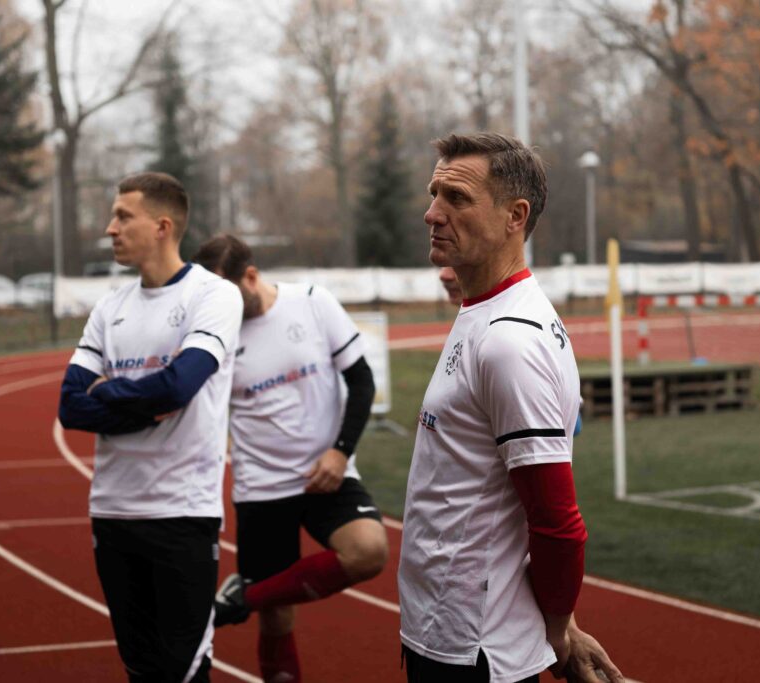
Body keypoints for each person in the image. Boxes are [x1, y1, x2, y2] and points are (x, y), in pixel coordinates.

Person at [398, 133, 624, 683]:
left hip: (472, 646)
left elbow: (558, 522)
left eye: (457, 198)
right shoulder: (486, 310)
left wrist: (558, 628)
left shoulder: (509, 341)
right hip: (449, 630)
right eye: (434, 194)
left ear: (514, 216)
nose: (433, 213)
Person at [57, 172, 242, 683]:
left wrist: (107, 392)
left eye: (123, 216)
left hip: (181, 512)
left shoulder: (214, 296)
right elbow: (70, 407)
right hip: (112, 511)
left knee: (182, 672)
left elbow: (178, 388)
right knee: (140, 670)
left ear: (162, 226)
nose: (110, 228)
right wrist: (143, 403)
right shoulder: (109, 307)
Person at [193, 234, 388, 683]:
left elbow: (361, 382)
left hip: (328, 475)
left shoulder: (314, 303)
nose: (220, 306)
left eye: (226, 293)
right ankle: (255, 600)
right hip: (261, 489)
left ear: (251, 276)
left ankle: (243, 597)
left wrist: (340, 452)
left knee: (369, 550)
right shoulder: (217, 333)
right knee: (277, 617)